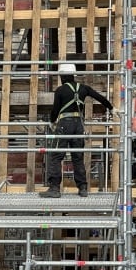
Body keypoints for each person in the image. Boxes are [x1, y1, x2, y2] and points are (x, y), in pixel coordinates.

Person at [40, 63, 113, 198]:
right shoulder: (83, 88)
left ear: (62, 76)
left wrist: (51, 121)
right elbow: (100, 98)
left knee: (56, 156)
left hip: (64, 125)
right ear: (73, 75)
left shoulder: (61, 90)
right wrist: (112, 108)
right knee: (77, 157)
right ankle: (82, 188)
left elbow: (55, 110)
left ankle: (54, 189)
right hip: (79, 125)